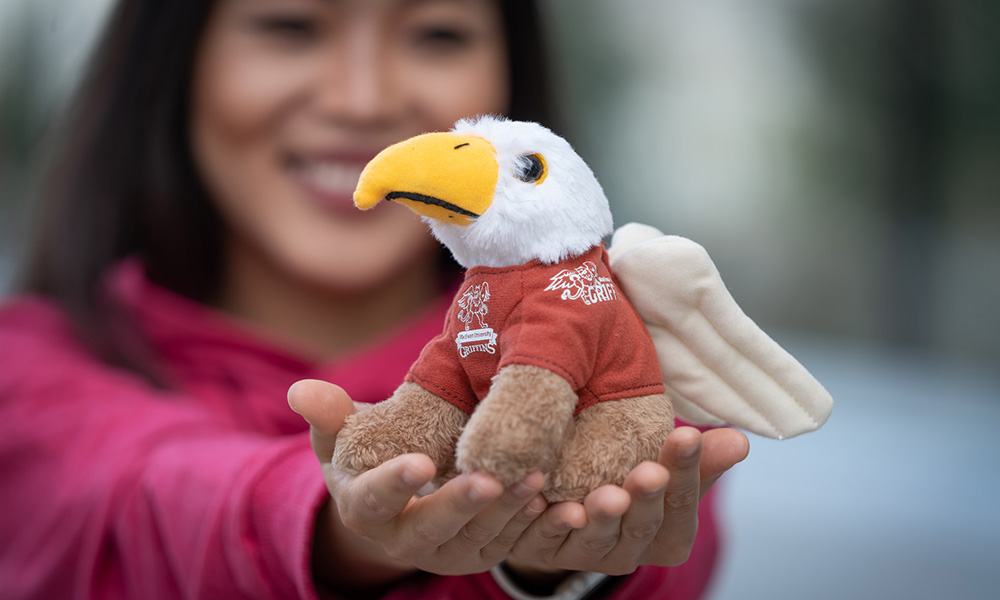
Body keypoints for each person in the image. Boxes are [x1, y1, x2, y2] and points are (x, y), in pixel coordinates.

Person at [0, 0, 750, 598]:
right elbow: (132, 501)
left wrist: (556, 569)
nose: (364, 102)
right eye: (290, 25)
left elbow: (670, 533)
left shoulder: (613, 339)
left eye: (437, 34)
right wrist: (335, 524)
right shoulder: (30, 370)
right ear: (172, 60)